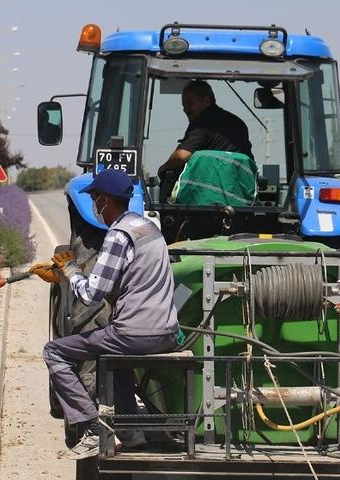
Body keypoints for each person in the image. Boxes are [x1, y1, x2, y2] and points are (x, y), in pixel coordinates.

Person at [30, 168, 180, 460]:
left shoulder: (118, 235)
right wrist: (62, 276)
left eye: (97, 199)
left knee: (55, 352)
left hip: (134, 335)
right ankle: (131, 435)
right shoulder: (150, 230)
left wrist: (69, 271)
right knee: (114, 363)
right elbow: (129, 283)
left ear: (106, 201)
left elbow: (91, 295)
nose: (96, 205)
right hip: (166, 332)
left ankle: (89, 426)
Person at [157, 80, 254, 176]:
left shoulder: (202, 123)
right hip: (240, 187)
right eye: (184, 106)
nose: (186, 110)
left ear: (206, 101)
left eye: (190, 104)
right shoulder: (238, 122)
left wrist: (165, 167)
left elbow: (181, 156)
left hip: (212, 187)